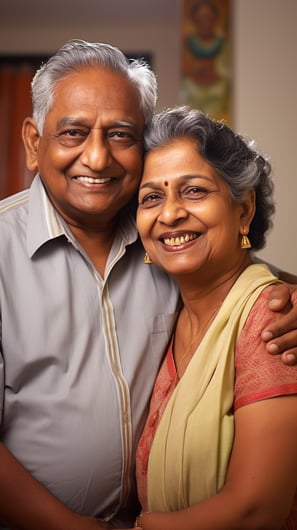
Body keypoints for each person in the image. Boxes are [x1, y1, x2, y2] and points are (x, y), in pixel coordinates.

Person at [0, 40, 296, 530]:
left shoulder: (161, 247)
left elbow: (235, 278)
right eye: (73, 133)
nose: (96, 158)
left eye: (120, 135)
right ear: (34, 143)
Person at [135, 106, 297, 529]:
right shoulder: (163, 313)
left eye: (194, 191)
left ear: (244, 210)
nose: (169, 214)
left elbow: (256, 511)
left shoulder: (273, 319)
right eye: (152, 197)